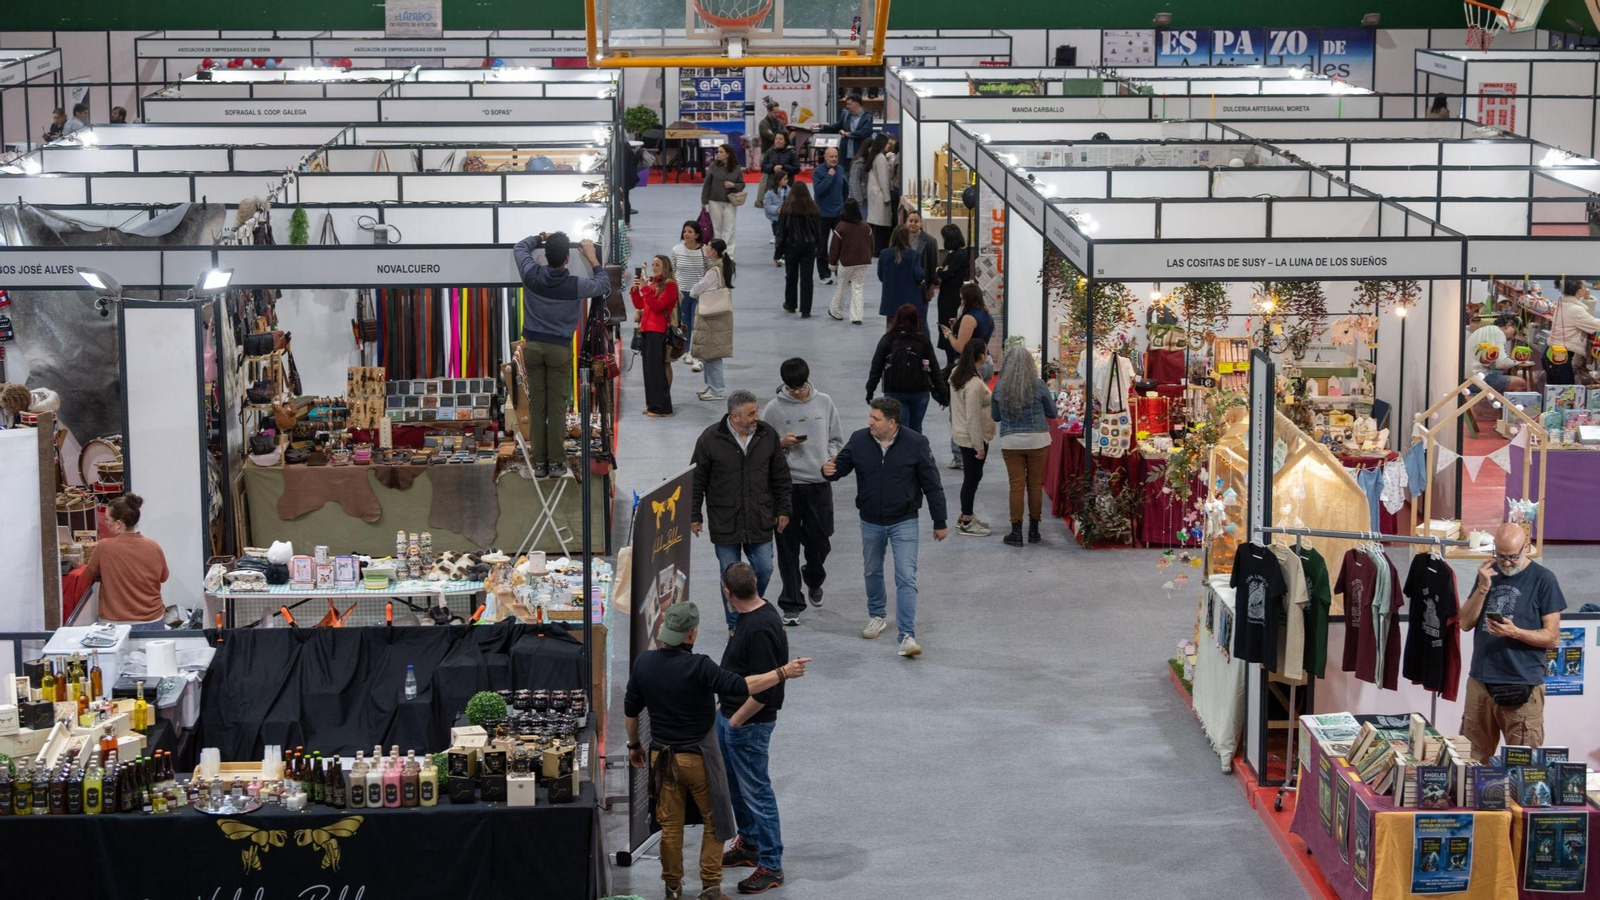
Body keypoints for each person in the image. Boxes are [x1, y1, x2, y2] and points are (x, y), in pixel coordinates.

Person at [624, 600, 811, 900]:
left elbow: (631, 712)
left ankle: (672, 888)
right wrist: (782, 673)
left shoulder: (644, 663)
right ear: (692, 634)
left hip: (662, 760)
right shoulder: (700, 666)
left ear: (664, 631)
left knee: (670, 827)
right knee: (715, 823)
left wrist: (634, 746)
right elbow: (744, 685)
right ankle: (710, 888)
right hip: (699, 760)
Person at [822, 397, 948, 658]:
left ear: (891, 423)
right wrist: (828, 471)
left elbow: (932, 484)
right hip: (870, 521)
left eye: (875, 418)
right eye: (871, 416)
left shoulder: (916, 443)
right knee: (872, 570)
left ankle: (907, 635)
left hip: (904, 521)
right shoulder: (859, 439)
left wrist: (940, 521)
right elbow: (840, 467)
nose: (870, 422)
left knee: (906, 577)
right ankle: (877, 615)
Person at [1457, 522, 1567, 763]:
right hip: (1481, 682)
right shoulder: (1488, 574)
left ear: (1526, 547)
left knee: (1523, 767)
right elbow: (1464, 623)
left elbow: (1552, 637)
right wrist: (1482, 588)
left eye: (1512, 557)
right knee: (1471, 761)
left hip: (1521, 685)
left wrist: (1514, 632)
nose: (1506, 563)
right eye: (1500, 556)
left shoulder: (1544, 579)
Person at [715, 562, 792, 893]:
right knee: (736, 786)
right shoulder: (751, 616)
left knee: (757, 792)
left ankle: (771, 865)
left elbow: (767, 690)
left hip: (748, 725)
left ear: (727, 592)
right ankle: (749, 844)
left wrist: (736, 720)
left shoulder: (759, 628)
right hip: (733, 716)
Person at [691, 390, 793, 629]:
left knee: (765, 569)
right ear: (734, 417)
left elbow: (780, 476)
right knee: (729, 576)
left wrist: (784, 509)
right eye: (751, 413)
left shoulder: (767, 435)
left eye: (757, 411)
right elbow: (696, 480)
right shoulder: (710, 438)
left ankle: (747, 609)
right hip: (725, 520)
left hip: (759, 517)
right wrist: (694, 515)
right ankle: (735, 625)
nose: (757, 416)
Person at [514, 231, 611, 476]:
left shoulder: (531, 274)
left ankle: (539, 463)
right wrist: (592, 257)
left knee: (537, 406)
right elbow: (603, 285)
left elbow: (520, 247)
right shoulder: (574, 285)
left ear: (545, 256)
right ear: (567, 258)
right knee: (557, 407)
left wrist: (540, 236)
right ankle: (557, 463)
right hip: (559, 349)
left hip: (533, 347)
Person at [762, 358, 844, 626]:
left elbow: (836, 439)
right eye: (791, 388)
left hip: (819, 485)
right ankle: (791, 603)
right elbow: (762, 449)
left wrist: (828, 458)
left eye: (800, 387)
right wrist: (781, 443)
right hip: (786, 488)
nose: (796, 392)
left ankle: (814, 577)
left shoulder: (825, 402)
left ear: (808, 380)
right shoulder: (773, 409)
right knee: (787, 548)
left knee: (821, 542)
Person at [991, 346, 1059, 547]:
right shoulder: (1039, 385)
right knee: (1035, 485)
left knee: (1016, 486)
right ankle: (1034, 530)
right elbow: (1052, 413)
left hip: (1011, 441)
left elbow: (996, 416)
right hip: (1038, 440)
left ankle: (1016, 531)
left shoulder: (1000, 386)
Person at [86, 494, 168, 630]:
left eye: (107, 519)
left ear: (119, 524)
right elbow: (163, 577)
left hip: (116, 623)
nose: (105, 523)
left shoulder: (105, 546)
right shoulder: (153, 546)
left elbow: (90, 574)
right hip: (153, 619)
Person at [867, 304, 943, 433]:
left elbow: (876, 367)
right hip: (920, 391)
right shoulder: (922, 340)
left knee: (900, 431)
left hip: (894, 391)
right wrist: (942, 392)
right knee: (916, 429)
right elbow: (934, 368)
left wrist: (870, 389)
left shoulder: (888, 339)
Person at [949, 341, 996, 537]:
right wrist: (979, 446)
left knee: (971, 478)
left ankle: (966, 515)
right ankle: (967, 520)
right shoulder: (975, 384)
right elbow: (973, 417)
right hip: (973, 438)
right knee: (972, 479)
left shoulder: (958, 373)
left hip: (962, 433)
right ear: (981, 356)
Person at [632, 254, 681, 417]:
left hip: (658, 330)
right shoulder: (654, 284)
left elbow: (658, 306)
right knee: (648, 370)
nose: (654, 268)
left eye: (657, 265)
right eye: (653, 265)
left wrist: (645, 289)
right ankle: (652, 404)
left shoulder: (670, 285)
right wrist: (635, 290)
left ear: (665, 266)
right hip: (646, 329)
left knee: (656, 370)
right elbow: (640, 304)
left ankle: (662, 408)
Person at [690, 239, 736, 402]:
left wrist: (693, 291)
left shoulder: (714, 271)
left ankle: (716, 389)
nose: (705, 248)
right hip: (716, 318)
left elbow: (697, 289)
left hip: (712, 318)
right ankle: (711, 386)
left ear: (714, 251)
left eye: (708, 247)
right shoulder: (722, 266)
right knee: (708, 354)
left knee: (712, 355)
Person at [776, 181, 822, 317]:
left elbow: (781, 232)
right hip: (809, 247)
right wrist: (817, 246)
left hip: (791, 246)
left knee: (791, 276)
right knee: (807, 278)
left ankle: (790, 304)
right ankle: (806, 310)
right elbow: (818, 230)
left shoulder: (786, 208)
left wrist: (777, 253)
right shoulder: (813, 208)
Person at [827, 198, 874, 324]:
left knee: (841, 286)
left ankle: (836, 312)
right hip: (863, 261)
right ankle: (857, 317)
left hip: (846, 262)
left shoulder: (841, 227)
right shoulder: (866, 226)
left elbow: (835, 247)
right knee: (858, 287)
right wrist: (869, 256)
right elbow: (871, 244)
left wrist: (832, 263)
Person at [932, 226, 973, 367]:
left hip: (952, 296)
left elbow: (944, 273)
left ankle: (952, 362)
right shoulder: (955, 253)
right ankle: (950, 361)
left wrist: (939, 270)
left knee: (949, 325)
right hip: (947, 294)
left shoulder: (959, 255)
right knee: (944, 324)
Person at [673, 221, 710, 374]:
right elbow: (672, 271)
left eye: (690, 232)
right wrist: (675, 290)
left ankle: (698, 354)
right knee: (685, 323)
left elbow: (709, 271)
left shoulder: (705, 251)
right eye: (685, 231)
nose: (686, 234)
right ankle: (687, 350)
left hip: (699, 293)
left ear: (697, 235)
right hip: (682, 293)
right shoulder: (677, 250)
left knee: (698, 323)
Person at [1547, 277, 1600, 385]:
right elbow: (1595, 325)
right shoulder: (1576, 310)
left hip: (1552, 352)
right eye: (1584, 286)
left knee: (1555, 388)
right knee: (1566, 390)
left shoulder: (1562, 302)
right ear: (1579, 291)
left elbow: (1585, 320)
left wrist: (1587, 299)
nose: (1586, 288)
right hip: (1561, 357)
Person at [877, 226, 926, 334]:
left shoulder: (884, 254)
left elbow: (881, 276)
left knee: (891, 330)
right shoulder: (914, 255)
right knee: (912, 330)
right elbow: (919, 275)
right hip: (910, 300)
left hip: (890, 299)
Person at [701, 143, 746, 255]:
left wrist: (733, 185)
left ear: (728, 154)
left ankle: (729, 255)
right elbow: (707, 184)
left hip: (730, 201)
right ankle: (717, 254)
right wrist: (704, 201)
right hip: (714, 201)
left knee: (729, 228)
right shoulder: (713, 166)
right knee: (717, 228)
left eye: (721, 152)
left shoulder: (737, 168)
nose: (718, 154)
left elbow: (742, 184)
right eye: (718, 152)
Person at [1466, 314, 1528, 393]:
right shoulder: (1498, 333)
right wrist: (1520, 361)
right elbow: (1502, 363)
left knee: (1499, 374)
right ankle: (1508, 402)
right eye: (1514, 333)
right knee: (1520, 383)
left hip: (1467, 378)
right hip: (1476, 379)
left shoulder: (1486, 330)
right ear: (1508, 325)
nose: (1513, 338)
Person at [812, 147, 847, 284]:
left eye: (836, 156)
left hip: (838, 212)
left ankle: (841, 273)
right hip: (823, 214)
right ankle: (824, 274)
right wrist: (829, 176)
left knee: (841, 244)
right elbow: (818, 191)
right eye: (831, 156)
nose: (834, 159)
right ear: (825, 157)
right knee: (822, 244)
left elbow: (845, 188)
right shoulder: (818, 172)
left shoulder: (841, 169)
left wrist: (844, 204)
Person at [864, 134, 895, 252]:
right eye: (887, 143)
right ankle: (878, 249)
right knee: (881, 224)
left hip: (874, 193)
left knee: (875, 223)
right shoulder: (881, 158)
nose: (888, 146)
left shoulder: (874, 156)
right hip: (880, 195)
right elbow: (884, 180)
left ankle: (874, 248)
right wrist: (887, 197)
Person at [822, 93, 875, 162]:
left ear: (856, 104)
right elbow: (835, 127)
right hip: (845, 154)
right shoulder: (845, 115)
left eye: (849, 104)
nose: (846, 106)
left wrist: (847, 134)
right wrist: (822, 126)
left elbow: (864, 133)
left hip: (860, 154)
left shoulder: (867, 117)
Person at [905, 211, 939, 305]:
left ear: (921, 223)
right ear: (906, 222)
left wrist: (931, 285)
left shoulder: (930, 241)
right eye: (910, 221)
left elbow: (934, 263)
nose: (913, 224)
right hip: (904, 281)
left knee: (920, 310)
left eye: (916, 221)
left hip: (921, 284)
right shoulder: (901, 238)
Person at [762, 168, 790, 262]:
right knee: (779, 238)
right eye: (784, 179)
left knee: (787, 237)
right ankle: (778, 255)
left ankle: (785, 255)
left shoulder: (789, 191)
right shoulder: (770, 193)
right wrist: (776, 209)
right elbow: (767, 205)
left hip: (787, 219)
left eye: (787, 179)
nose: (787, 181)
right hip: (776, 220)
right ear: (778, 181)